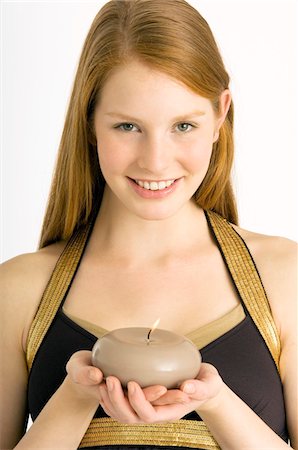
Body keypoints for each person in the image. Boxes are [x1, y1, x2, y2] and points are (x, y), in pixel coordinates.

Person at [0, 0, 296, 448]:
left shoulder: (285, 278)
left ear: (220, 115)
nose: (156, 161)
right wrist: (76, 399)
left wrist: (216, 402)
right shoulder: (19, 290)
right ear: (89, 123)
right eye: (126, 126)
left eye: (182, 125)